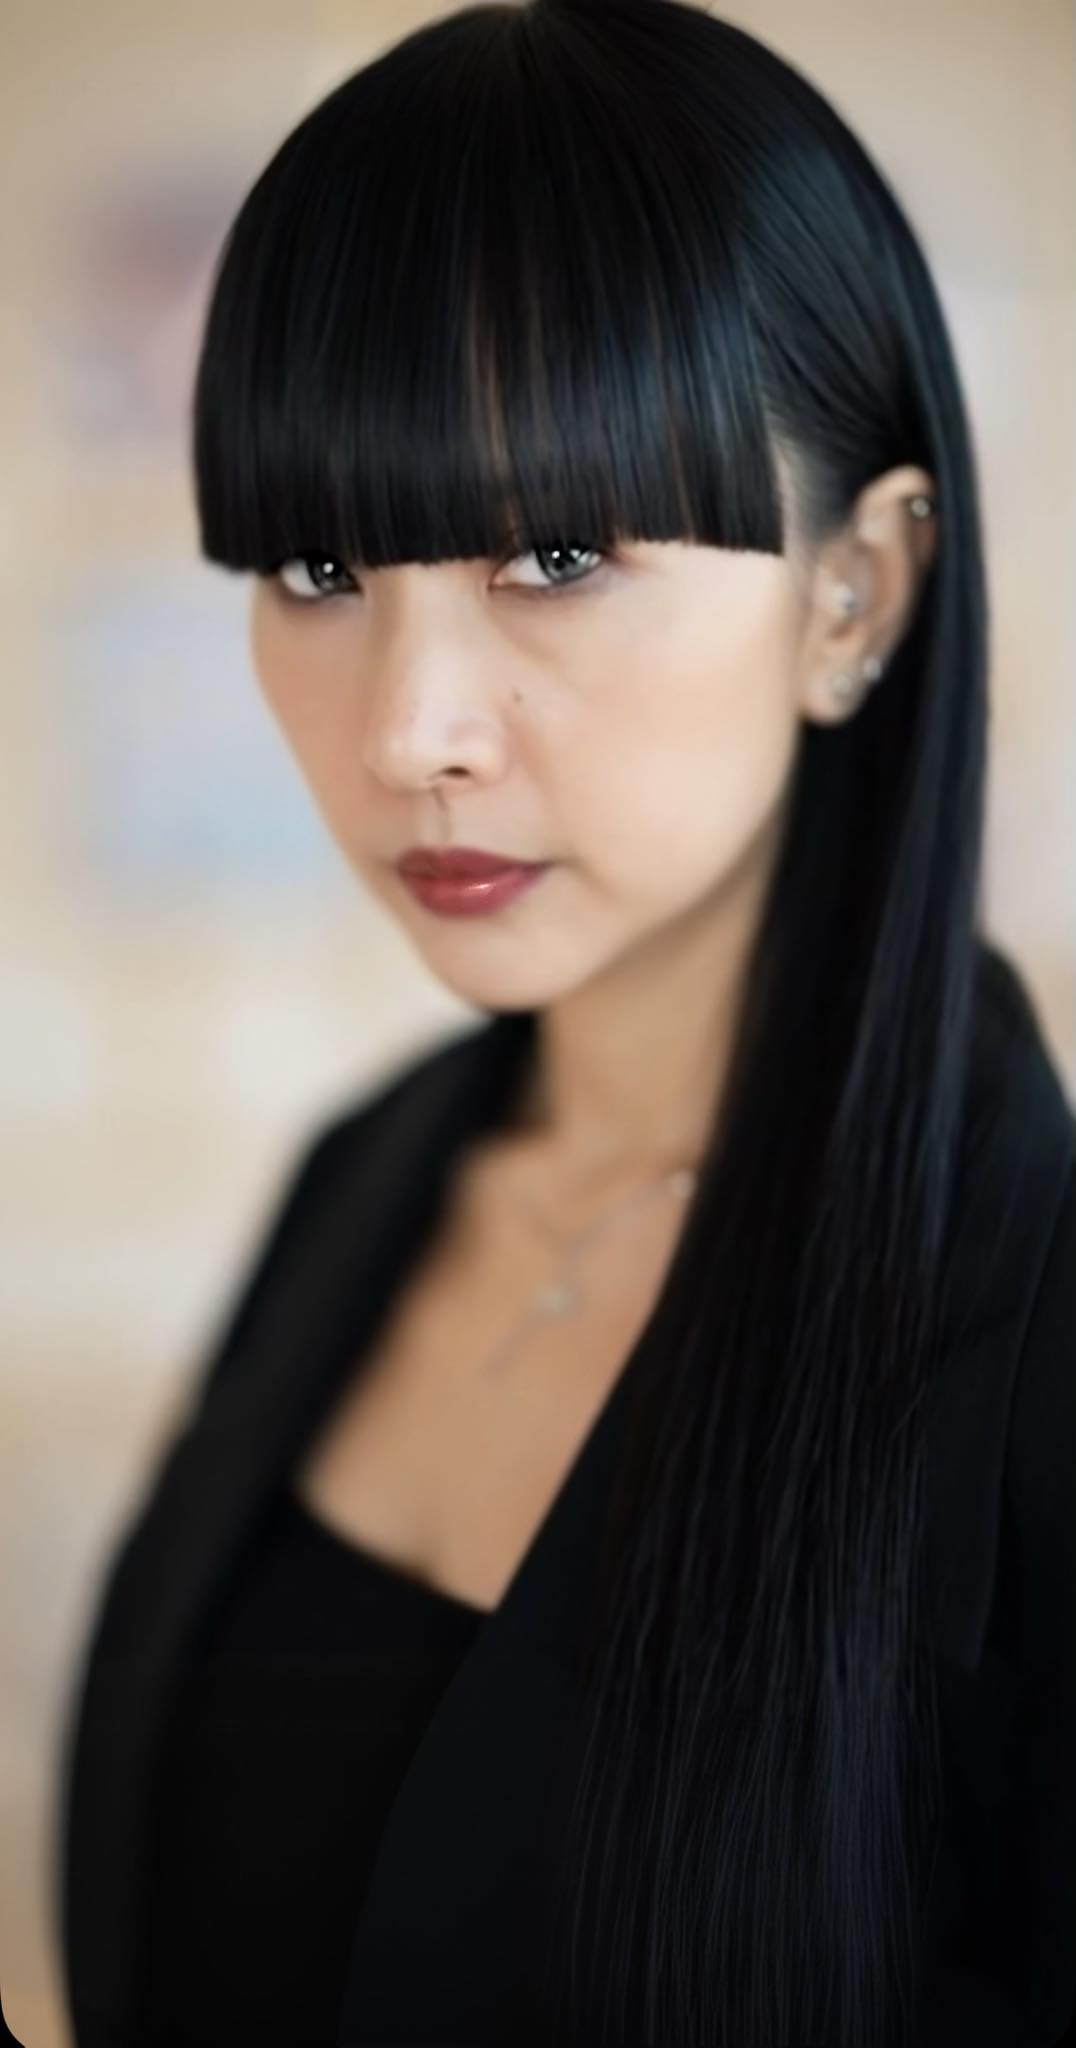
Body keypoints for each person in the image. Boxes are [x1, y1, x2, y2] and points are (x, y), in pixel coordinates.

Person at [55, 1, 1076, 2043]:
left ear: (856, 597)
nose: (407, 732)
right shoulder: (370, 1177)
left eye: (554, 553)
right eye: (319, 565)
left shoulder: (1030, 1337)